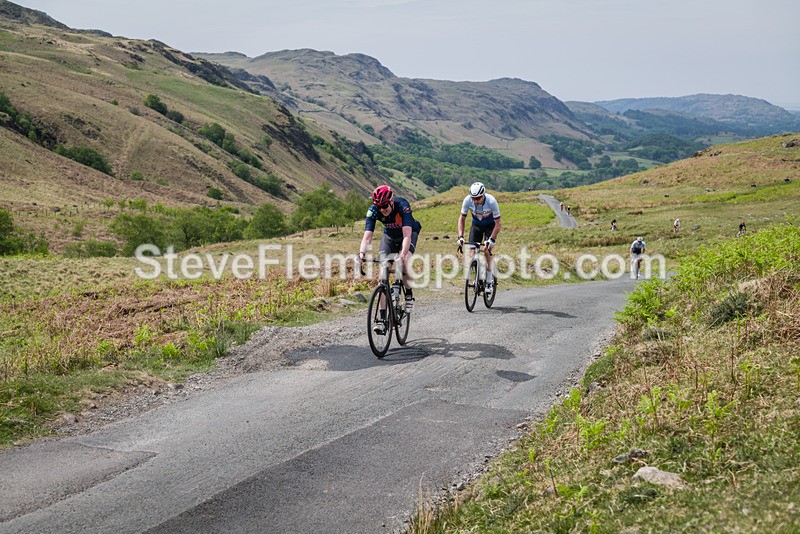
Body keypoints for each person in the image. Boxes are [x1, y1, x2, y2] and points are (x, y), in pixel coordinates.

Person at [358, 185, 421, 329]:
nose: (382, 209)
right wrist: (361, 254)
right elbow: (367, 237)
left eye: (385, 206)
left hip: (409, 234)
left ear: (391, 201)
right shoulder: (373, 211)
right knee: (382, 277)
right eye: (379, 207)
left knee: (403, 262)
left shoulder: (402, 206)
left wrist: (402, 254)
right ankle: (381, 320)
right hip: (389, 237)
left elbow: (407, 235)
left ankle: (409, 295)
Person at [457, 182, 501, 288]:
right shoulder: (467, 200)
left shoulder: (491, 201)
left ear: (483, 195)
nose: (475, 201)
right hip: (476, 226)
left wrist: (492, 240)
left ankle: (489, 281)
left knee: (486, 251)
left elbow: (498, 224)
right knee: (472, 253)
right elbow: (461, 219)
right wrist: (460, 237)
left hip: (490, 226)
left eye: (478, 198)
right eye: (473, 198)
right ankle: (478, 277)